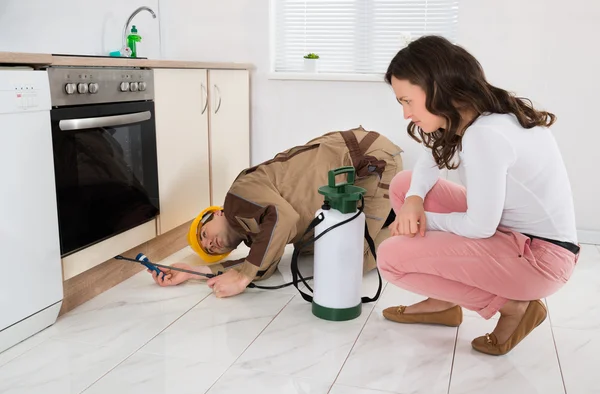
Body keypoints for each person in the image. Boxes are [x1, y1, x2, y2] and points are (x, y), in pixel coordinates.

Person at [377, 35, 579, 356]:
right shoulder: (486, 116)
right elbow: (430, 159)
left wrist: (424, 222)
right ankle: (443, 301)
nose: (405, 114)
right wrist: (414, 199)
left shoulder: (485, 135)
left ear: (436, 89)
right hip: (521, 240)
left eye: (407, 101)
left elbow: (479, 227)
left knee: (390, 258)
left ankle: (514, 306)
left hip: (540, 262)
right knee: (405, 184)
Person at [148, 127, 403, 298]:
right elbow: (265, 254)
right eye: (208, 250)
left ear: (217, 214)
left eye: (203, 234)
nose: (209, 244)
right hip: (348, 162)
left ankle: (406, 226)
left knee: (349, 263)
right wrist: (195, 271)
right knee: (310, 248)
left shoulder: (237, 197)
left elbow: (283, 218)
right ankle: (394, 213)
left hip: (366, 159)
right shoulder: (256, 230)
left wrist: (243, 278)